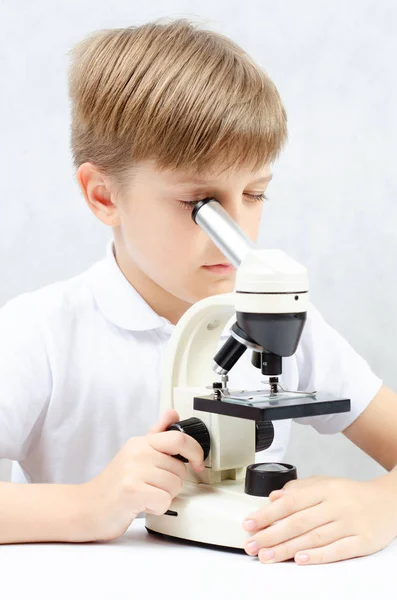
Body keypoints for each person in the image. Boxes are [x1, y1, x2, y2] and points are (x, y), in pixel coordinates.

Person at [1, 19, 396, 565]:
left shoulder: (281, 317)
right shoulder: (40, 334)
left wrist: (382, 504)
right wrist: (87, 506)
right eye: (200, 206)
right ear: (103, 195)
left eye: (255, 193)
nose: (239, 233)